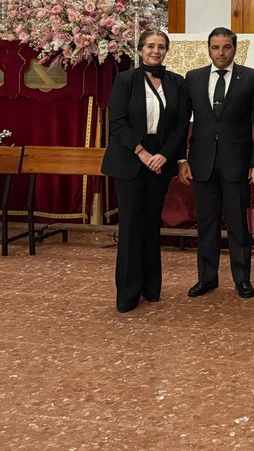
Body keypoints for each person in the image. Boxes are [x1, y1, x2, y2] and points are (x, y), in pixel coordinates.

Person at [100, 30, 187, 313]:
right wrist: (143, 152)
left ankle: (151, 288)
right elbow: (118, 121)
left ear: (166, 51)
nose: (156, 51)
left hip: (160, 159)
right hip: (129, 158)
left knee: (151, 224)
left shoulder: (176, 82)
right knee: (130, 225)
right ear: (140, 50)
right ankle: (127, 293)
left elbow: (180, 125)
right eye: (150, 46)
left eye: (161, 47)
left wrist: (164, 155)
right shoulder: (125, 80)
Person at [178, 27, 254, 299]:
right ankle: (207, 278)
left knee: (238, 225)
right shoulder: (193, 78)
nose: (221, 52)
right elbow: (181, 123)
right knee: (207, 224)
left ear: (235, 48)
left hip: (236, 163)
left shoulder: (250, 78)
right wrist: (182, 158)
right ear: (209, 49)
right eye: (215, 47)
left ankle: (242, 279)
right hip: (202, 162)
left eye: (226, 47)